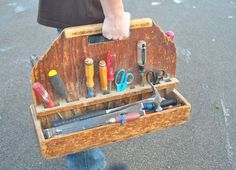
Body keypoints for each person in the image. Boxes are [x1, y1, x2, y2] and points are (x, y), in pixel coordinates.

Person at [37, 0, 130, 170]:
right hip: (89, 14)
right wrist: (115, 15)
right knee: (77, 106)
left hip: (71, 12)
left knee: (74, 94)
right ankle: (89, 166)